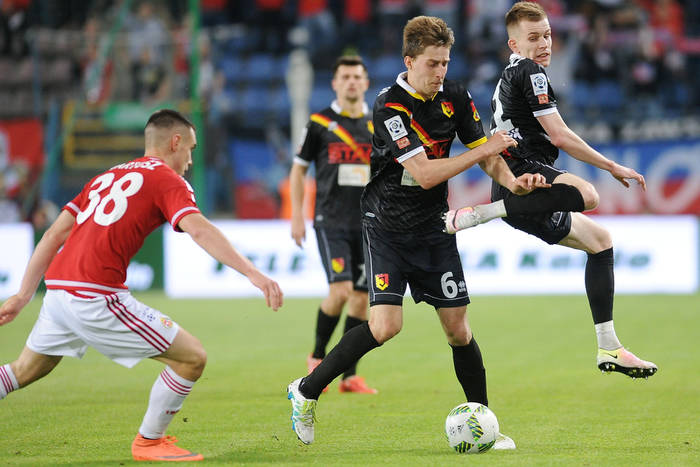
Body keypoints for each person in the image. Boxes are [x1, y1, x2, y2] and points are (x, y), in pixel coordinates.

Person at [287, 16, 550, 448]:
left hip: (433, 227)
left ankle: (485, 424)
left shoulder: (455, 96)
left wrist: (512, 180)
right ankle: (305, 390)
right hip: (386, 227)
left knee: (458, 330)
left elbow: (486, 154)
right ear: (409, 61)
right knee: (385, 326)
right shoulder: (389, 107)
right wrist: (487, 148)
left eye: (445, 62)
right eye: (432, 63)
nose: (440, 72)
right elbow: (426, 174)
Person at [0, 109, 283, 462]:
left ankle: (151, 440)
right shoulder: (167, 179)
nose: (190, 160)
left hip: (58, 292)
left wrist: (23, 294)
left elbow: (54, 234)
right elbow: (199, 229)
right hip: (94, 296)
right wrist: (253, 273)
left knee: (23, 370)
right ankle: (150, 441)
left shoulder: (107, 176)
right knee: (192, 358)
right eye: (190, 149)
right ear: (175, 142)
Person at [444, 2, 657, 378]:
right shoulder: (530, 72)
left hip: (522, 190)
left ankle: (609, 347)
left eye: (547, 35)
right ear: (514, 44)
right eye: (534, 37)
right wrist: (611, 166)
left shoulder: (511, 74)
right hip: (524, 177)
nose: (544, 43)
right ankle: (482, 214)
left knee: (601, 242)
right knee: (589, 195)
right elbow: (559, 135)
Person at [290, 55, 378, 394]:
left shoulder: (378, 124)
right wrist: (297, 215)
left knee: (360, 300)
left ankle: (349, 376)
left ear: (366, 83)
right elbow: (298, 170)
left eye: (357, 76)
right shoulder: (319, 123)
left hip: (369, 224)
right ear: (335, 83)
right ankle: (317, 357)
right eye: (345, 77)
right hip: (331, 221)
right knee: (340, 291)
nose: (352, 82)